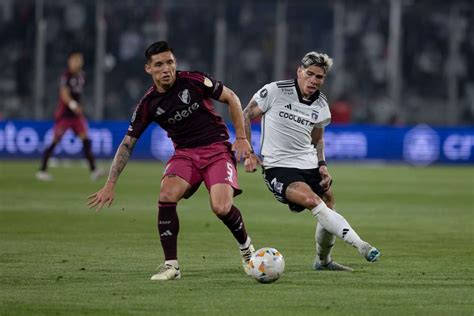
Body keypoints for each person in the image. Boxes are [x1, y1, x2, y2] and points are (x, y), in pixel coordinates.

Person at [87, 41, 255, 281]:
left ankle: (247, 250)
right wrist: (111, 182)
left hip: (216, 149)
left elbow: (232, 98)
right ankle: (171, 266)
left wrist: (240, 138)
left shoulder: (194, 80)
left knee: (221, 207)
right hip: (185, 153)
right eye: (159, 64)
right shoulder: (148, 104)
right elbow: (127, 144)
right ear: (148, 69)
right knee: (166, 194)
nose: (166, 69)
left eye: (170, 62)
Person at [242, 51, 381, 271]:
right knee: (313, 200)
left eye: (319, 77)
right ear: (299, 72)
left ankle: (323, 262)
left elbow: (318, 140)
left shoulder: (321, 105)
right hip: (279, 167)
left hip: (308, 164)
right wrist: (248, 152)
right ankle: (360, 244)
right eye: (310, 74)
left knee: (328, 202)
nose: (314, 80)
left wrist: (323, 166)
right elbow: (246, 114)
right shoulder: (276, 91)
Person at [36, 52, 104, 181]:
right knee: (55, 141)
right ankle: (42, 170)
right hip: (65, 115)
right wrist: (73, 105)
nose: (77, 63)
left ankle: (94, 170)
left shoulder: (81, 76)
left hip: (76, 116)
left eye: (79, 60)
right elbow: (64, 94)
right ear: (69, 62)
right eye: (74, 60)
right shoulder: (66, 76)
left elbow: (78, 94)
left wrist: (79, 106)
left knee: (86, 140)